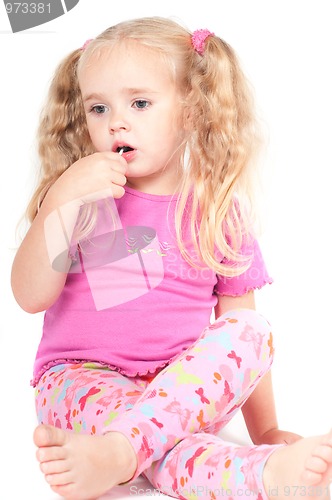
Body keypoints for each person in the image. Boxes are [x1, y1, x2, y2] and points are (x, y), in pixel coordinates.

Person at [11, 16, 332, 500]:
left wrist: (266, 430)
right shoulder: (80, 200)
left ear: (192, 111)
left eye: (139, 103)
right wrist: (59, 201)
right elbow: (29, 296)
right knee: (166, 443)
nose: (116, 121)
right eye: (98, 108)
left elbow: (242, 345)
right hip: (82, 382)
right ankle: (252, 477)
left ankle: (237, 466)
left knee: (253, 331)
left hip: (181, 391)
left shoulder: (219, 212)